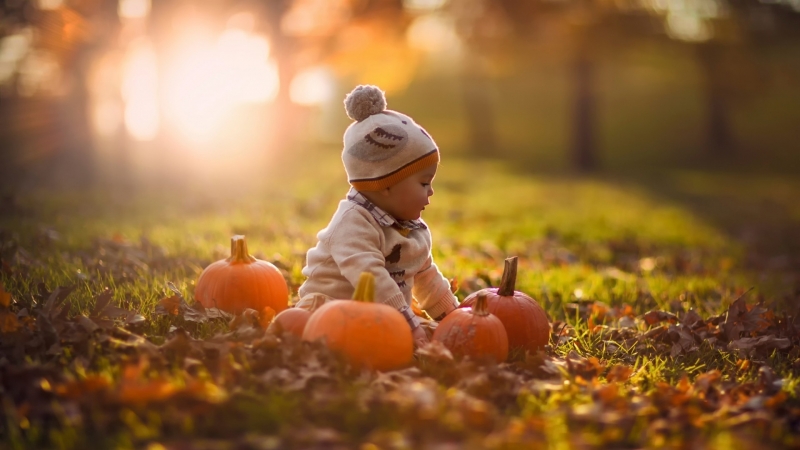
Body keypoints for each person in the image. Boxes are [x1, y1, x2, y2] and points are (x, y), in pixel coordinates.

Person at [295, 84, 459, 348]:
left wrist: (453, 315)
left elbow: (426, 276)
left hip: (386, 317)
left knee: (431, 338)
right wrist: (405, 322)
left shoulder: (412, 229)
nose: (431, 191)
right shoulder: (352, 222)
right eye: (424, 183)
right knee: (317, 336)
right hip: (330, 312)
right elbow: (370, 277)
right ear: (385, 184)